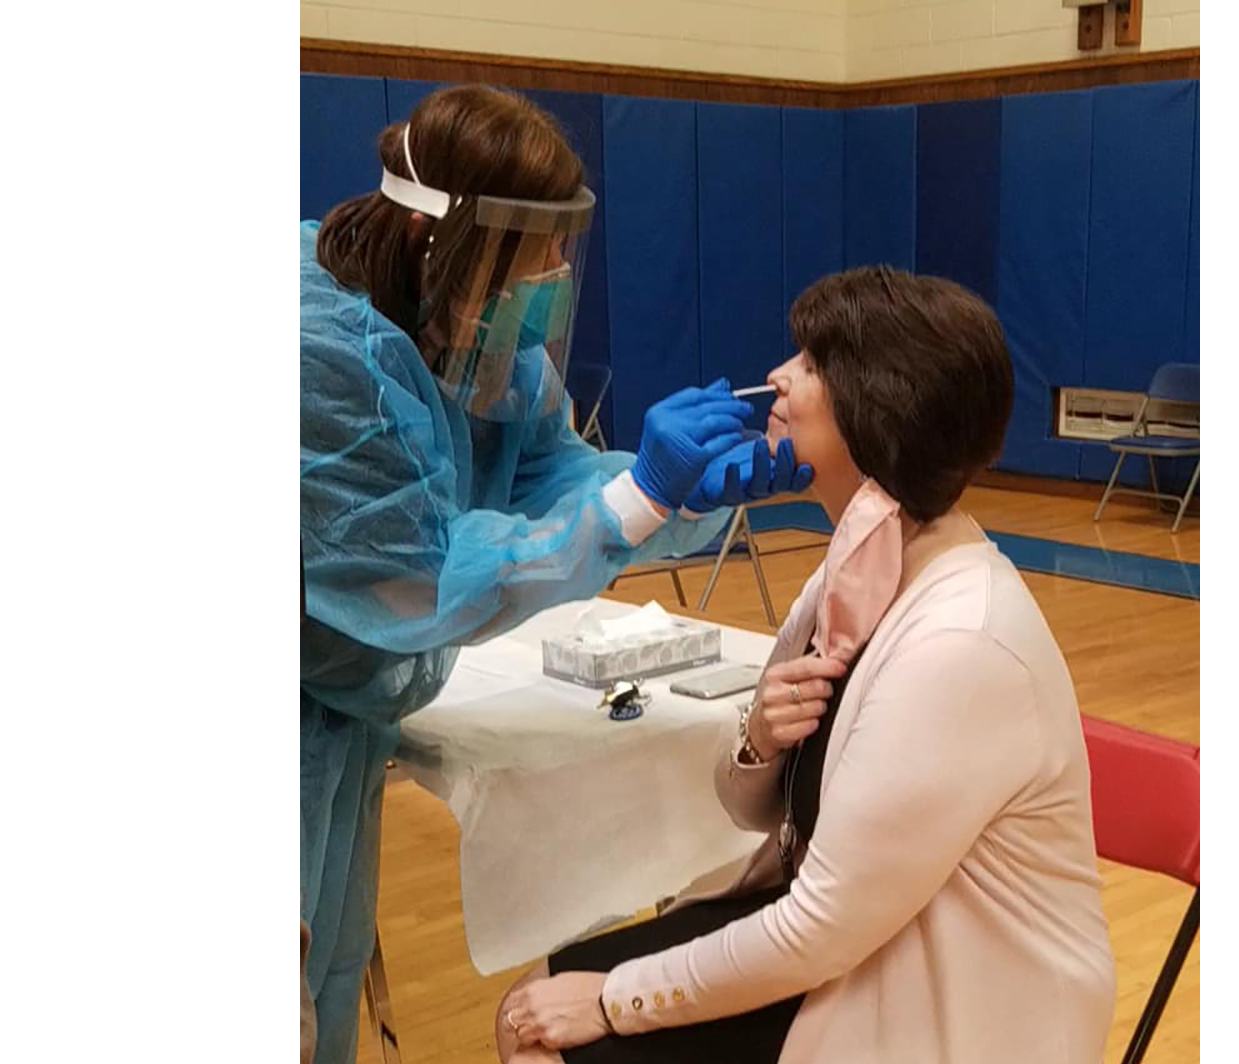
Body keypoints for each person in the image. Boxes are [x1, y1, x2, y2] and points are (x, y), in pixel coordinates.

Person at [301, 85, 810, 1064]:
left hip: (336, 709)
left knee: (326, 969)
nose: (555, 273)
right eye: (535, 247)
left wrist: (674, 495)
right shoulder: (321, 351)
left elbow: (549, 479)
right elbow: (420, 575)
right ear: (447, 238)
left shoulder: (483, 341)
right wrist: (635, 501)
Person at [496, 267, 1117, 1064]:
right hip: (859, 942)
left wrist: (617, 1000)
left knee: (542, 1035)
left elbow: (820, 925)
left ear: (880, 407)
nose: (778, 377)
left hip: (949, 1001)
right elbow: (756, 814)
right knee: (529, 1009)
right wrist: (759, 738)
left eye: (813, 364)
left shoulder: (962, 639)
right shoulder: (857, 569)